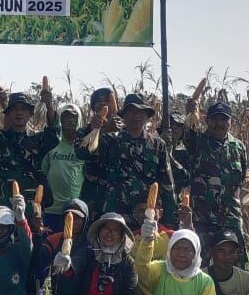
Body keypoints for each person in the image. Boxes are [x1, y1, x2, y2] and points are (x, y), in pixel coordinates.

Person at [78, 93, 178, 228]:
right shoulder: (109, 140)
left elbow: (167, 184)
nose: (135, 116)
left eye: (140, 112)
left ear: (147, 116)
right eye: (131, 112)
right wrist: (97, 129)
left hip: (145, 218)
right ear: (123, 116)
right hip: (114, 217)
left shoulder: (157, 144)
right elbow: (82, 153)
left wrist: (171, 221)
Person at [179, 99, 249, 262]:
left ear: (230, 121)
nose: (219, 123)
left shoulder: (238, 147)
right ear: (207, 120)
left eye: (224, 119)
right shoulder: (197, 142)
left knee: (235, 263)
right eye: (215, 119)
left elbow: (242, 178)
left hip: (230, 217)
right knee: (201, 263)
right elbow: (187, 130)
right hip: (202, 218)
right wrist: (190, 112)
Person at [0, 89, 58, 209]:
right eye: (15, 109)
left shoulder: (38, 139)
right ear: (8, 113)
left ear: (30, 113)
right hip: (3, 206)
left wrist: (49, 105)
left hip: (31, 206)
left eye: (23, 109)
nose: (19, 112)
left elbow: (54, 135)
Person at [77, 87, 122, 215]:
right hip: (93, 199)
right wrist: (100, 130)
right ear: (93, 107)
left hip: (120, 200)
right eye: (98, 101)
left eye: (107, 100)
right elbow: (81, 153)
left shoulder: (127, 130)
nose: (103, 104)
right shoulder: (84, 131)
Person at [40, 103, 85, 231]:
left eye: (74, 117)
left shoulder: (84, 147)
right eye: (66, 116)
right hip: (50, 210)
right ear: (60, 119)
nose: (70, 120)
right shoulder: (52, 144)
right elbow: (43, 173)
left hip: (73, 211)